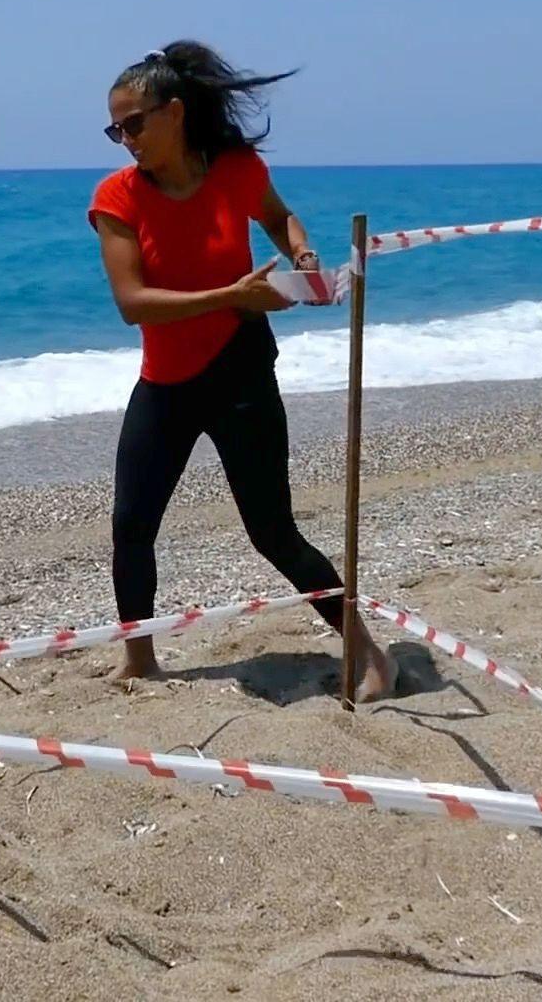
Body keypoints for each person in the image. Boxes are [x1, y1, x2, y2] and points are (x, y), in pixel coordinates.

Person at [87, 40, 397, 701]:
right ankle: (139, 659)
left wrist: (302, 250)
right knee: (130, 525)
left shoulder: (235, 169)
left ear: (173, 113)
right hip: (165, 382)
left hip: (240, 371)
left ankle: (371, 655)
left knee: (273, 532)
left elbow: (279, 217)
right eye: (116, 129)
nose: (125, 140)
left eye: (134, 123)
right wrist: (230, 293)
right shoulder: (117, 196)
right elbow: (131, 303)